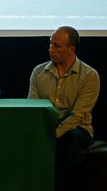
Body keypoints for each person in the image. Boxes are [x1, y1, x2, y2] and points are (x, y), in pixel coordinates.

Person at [28, 26, 100, 191]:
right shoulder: (39, 72)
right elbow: (32, 106)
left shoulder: (89, 76)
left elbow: (78, 115)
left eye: (56, 45)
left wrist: (54, 135)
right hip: (46, 126)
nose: (50, 49)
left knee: (70, 139)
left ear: (71, 49)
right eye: (50, 44)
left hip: (76, 128)